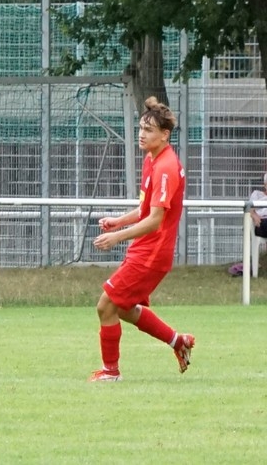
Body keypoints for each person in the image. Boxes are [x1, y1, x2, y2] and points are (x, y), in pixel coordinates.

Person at [90, 96, 194, 382]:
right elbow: (144, 209)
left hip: (152, 253)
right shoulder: (152, 159)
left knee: (105, 306)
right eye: (140, 128)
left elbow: (155, 220)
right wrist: (118, 221)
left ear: (165, 135)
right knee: (122, 308)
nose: (141, 134)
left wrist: (116, 237)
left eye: (148, 130)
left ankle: (111, 373)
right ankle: (178, 341)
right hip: (145, 249)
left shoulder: (166, 167)